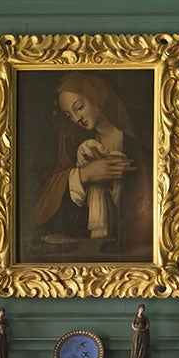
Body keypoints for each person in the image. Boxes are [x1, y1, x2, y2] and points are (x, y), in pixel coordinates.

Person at [31, 73, 136, 245]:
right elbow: (47, 209)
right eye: (69, 115)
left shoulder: (132, 145)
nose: (76, 118)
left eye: (79, 107)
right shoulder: (79, 149)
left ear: (97, 97)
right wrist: (84, 175)